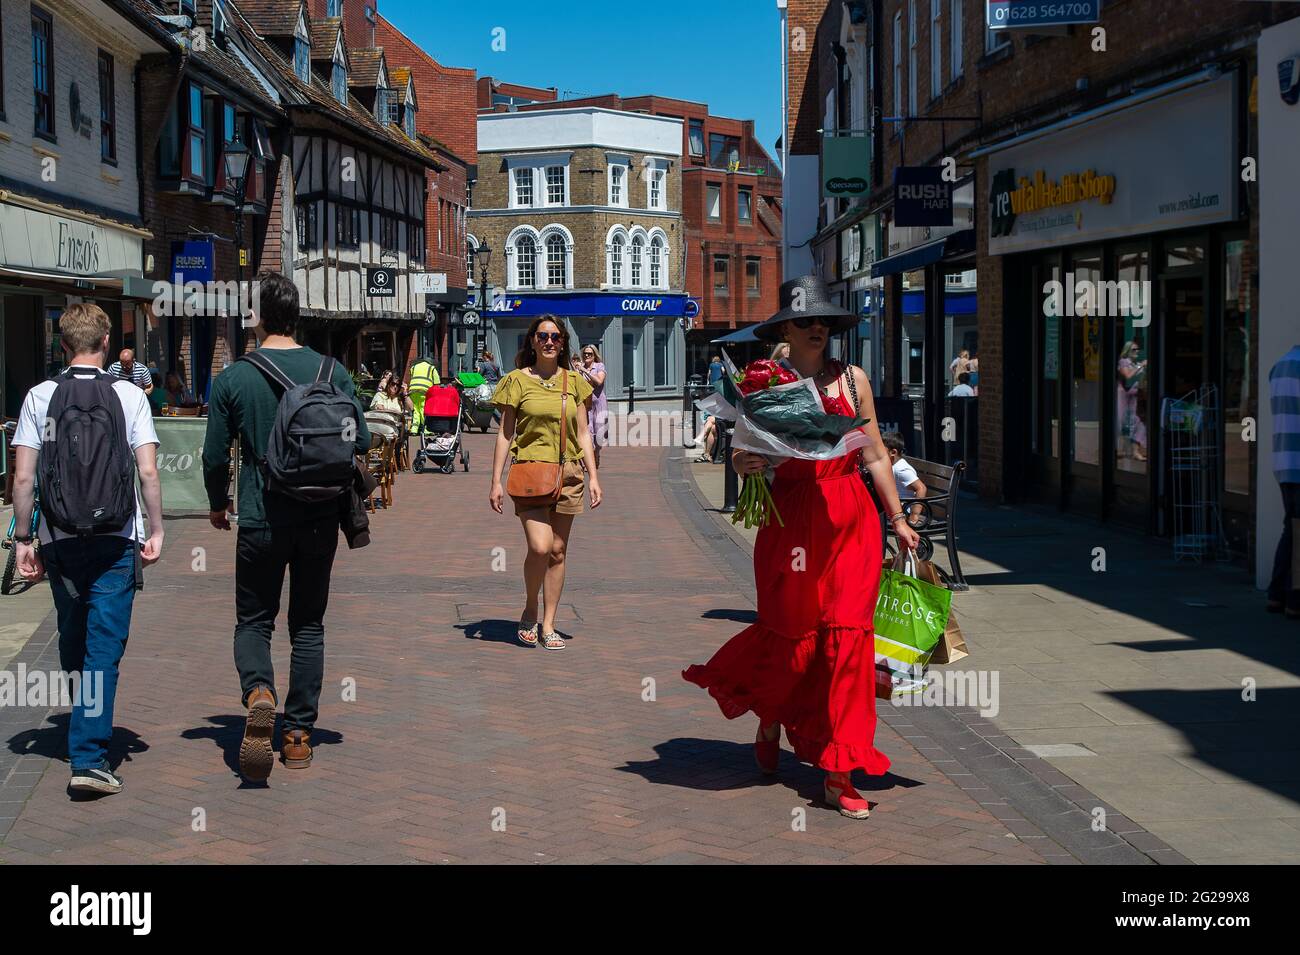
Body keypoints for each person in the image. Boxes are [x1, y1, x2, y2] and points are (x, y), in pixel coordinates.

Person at [683, 276, 920, 820]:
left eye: (825, 321)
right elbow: (746, 459)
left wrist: (899, 518)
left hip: (849, 523)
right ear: (786, 328)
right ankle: (771, 714)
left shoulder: (852, 380)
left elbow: (876, 455)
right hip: (790, 521)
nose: (818, 328)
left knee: (847, 645)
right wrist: (746, 463)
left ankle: (839, 772)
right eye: (807, 320)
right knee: (794, 641)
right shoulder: (765, 384)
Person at [201, 272, 370, 781]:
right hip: (320, 517)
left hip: (260, 515)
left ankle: (258, 691)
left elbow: (212, 456)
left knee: (254, 620)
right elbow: (359, 439)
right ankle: (297, 736)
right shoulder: (332, 371)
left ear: (256, 317)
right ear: (296, 316)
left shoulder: (233, 377)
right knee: (308, 626)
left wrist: (217, 503)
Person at [9, 303, 165, 796]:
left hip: (59, 539)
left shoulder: (39, 396)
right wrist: (155, 529)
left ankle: (85, 726)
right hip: (116, 537)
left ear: (62, 346)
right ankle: (90, 756)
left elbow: (24, 477)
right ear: (104, 344)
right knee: (104, 646)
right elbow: (147, 471)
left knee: (74, 636)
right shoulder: (128, 395)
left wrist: (22, 539)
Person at [489, 316, 603, 651]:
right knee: (540, 546)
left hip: (568, 474)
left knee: (557, 550)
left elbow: (584, 433)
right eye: (543, 336)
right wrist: (495, 480)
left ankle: (549, 623)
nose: (549, 341)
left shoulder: (575, 382)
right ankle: (530, 608)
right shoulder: (515, 381)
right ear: (533, 341)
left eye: (555, 336)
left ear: (563, 341)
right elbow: (505, 433)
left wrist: (594, 476)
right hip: (529, 473)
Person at [1267, 342, 1300, 619]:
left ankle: (1277, 594)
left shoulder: (1279, 366)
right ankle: (1294, 600)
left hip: (1283, 460)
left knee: (1292, 529)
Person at [573, 344, 608, 468]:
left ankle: (597, 452)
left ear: (594, 355)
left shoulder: (599, 366)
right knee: (587, 431)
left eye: (590, 354)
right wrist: (577, 369)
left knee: (599, 432)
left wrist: (584, 371)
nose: (587, 356)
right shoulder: (579, 368)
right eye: (585, 354)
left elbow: (599, 382)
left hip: (599, 403)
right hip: (585, 404)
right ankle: (589, 460)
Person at [882, 431, 927, 523]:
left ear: (893, 452)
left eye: (881, 450)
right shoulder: (891, 465)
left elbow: (921, 488)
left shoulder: (901, 469)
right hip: (894, 509)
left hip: (903, 513)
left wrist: (914, 515)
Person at [1116, 342, 1148, 463]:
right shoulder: (1124, 362)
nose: (1137, 351)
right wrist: (1141, 366)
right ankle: (1118, 448)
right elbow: (1128, 375)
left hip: (1136, 394)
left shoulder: (1135, 364)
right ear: (1127, 351)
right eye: (1134, 349)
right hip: (1124, 394)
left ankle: (1136, 451)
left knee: (1138, 421)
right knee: (1120, 421)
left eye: (1138, 349)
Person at [407, 356, 440, 434]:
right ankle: (426, 429)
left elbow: (412, 377)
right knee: (423, 409)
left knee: (415, 410)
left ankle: (414, 429)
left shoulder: (414, 367)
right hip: (424, 391)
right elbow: (437, 382)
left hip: (413, 390)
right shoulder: (431, 368)